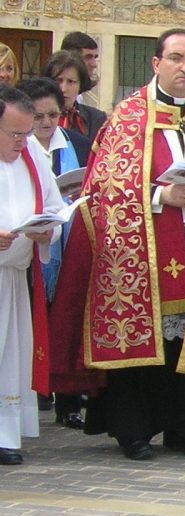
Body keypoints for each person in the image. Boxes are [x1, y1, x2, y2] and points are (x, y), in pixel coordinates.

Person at [48, 29, 185, 460]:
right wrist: (160, 195)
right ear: (157, 64)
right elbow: (103, 187)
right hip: (141, 243)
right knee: (146, 333)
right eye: (176, 58)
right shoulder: (129, 115)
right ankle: (134, 430)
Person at [14, 77, 91, 429]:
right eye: (39, 116)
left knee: (66, 322)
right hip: (23, 256)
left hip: (64, 246)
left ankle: (68, 401)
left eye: (53, 115)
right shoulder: (20, 147)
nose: (46, 123)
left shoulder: (74, 143)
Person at [0, 87, 61, 465]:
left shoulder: (32, 156)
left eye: (26, 133)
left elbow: (55, 206)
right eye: (15, 134)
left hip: (12, 278)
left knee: (8, 354)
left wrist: (45, 230)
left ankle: (4, 432)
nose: (23, 142)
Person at [42, 51, 106, 143]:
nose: (63, 89)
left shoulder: (96, 119)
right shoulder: (34, 116)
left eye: (71, 82)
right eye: (58, 81)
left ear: (80, 84)